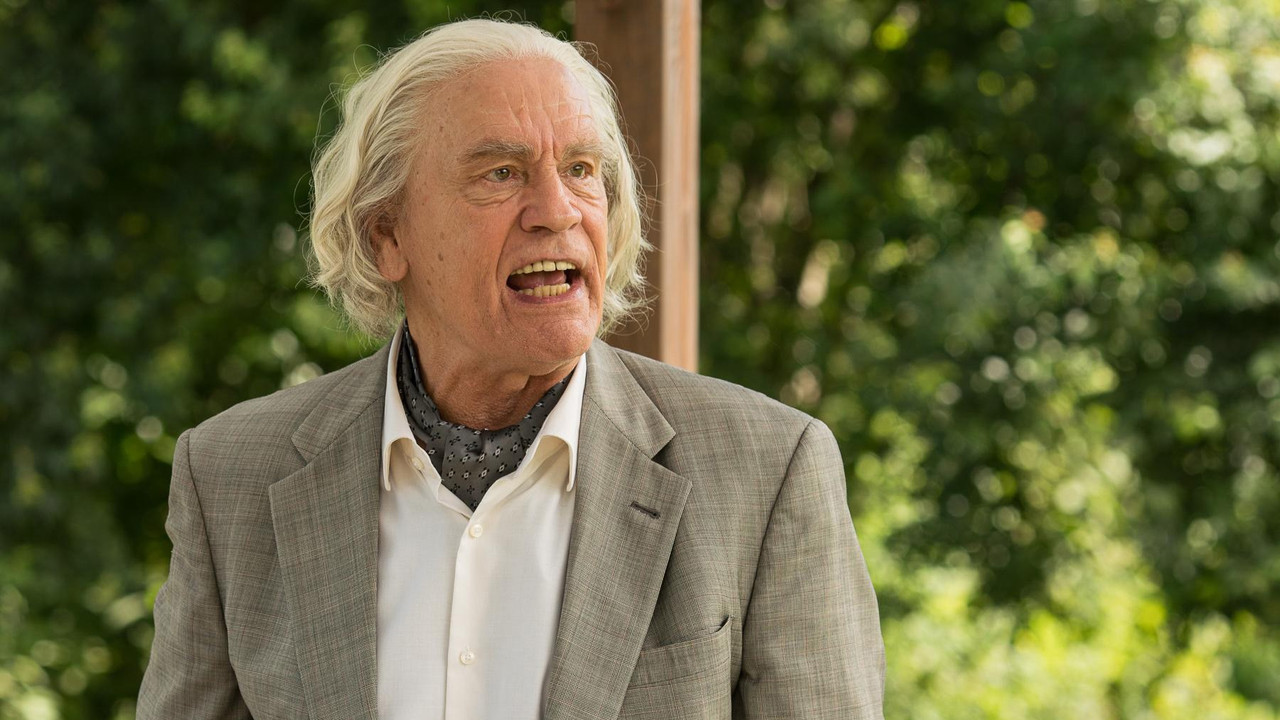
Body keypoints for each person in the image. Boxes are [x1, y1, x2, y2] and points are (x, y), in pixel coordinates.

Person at [137, 17, 884, 720]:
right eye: (501, 173)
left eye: (581, 170)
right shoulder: (230, 476)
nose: (557, 210)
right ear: (386, 235)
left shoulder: (767, 470)